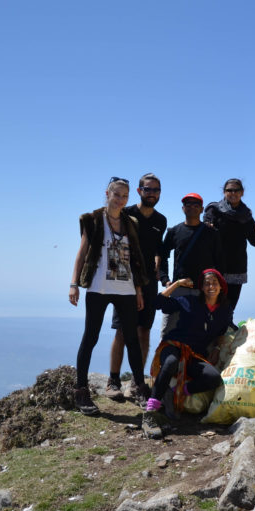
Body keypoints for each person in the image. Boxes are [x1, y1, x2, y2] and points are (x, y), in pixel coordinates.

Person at [68, 177, 148, 416]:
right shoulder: (93, 220)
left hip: (126, 289)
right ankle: (81, 391)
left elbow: (135, 260)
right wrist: (74, 284)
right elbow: (81, 254)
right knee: (90, 337)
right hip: (98, 287)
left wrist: (139, 290)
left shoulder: (130, 222)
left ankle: (141, 389)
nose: (121, 199)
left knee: (132, 339)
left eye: (125, 196)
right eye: (117, 195)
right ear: (108, 194)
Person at [141, 269, 234, 439]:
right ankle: (150, 414)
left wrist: (218, 349)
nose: (211, 286)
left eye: (214, 283)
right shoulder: (189, 300)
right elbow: (157, 303)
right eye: (206, 283)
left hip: (194, 355)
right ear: (201, 287)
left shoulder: (225, 309)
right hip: (174, 345)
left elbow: (223, 331)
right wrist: (176, 284)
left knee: (213, 378)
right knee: (170, 363)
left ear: (221, 287)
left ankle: (175, 392)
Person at [106, 174, 166, 401]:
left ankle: (136, 382)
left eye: (156, 190)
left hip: (149, 282)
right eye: (148, 189)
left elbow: (160, 248)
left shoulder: (161, 221)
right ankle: (113, 381)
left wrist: (159, 264)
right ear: (140, 191)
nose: (152, 193)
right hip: (125, 280)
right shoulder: (126, 214)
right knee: (122, 330)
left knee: (143, 331)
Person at [157, 192, 224, 336]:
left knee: (201, 332)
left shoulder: (211, 233)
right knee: (169, 331)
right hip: (179, 289)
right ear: (183, 208)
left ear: (201, 209)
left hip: (203, 290)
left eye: (196, 205)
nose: (192, 207)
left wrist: (216, 288)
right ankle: (167, 358)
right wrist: (165, 280)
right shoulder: (174, 231)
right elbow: (163, 256)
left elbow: (219, 262)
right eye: (188, 204)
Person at [203, 178, 255, 307]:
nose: (233, 193)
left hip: (237, 267)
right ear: (224, 192)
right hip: (215, 265)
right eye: (229, 190)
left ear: (242, 192)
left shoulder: (246, 216)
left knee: (230, 307)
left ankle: (227, 325)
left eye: (236, 190)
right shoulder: (214, 210)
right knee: (211, 306)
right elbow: (206, 232)